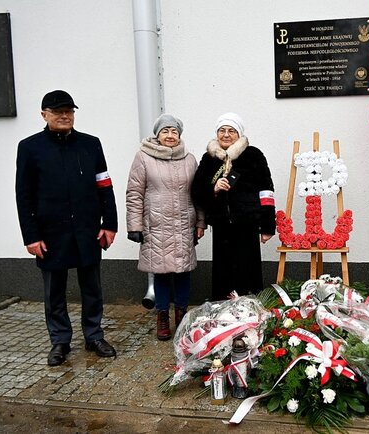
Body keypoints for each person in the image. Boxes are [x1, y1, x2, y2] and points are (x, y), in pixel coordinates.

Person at [15, 90, 118, 366]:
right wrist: (31, 236)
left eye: (69, 111)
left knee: (92, 288)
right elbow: (23, 195)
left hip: (87, 230)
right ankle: (60, 341)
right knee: (54, 291)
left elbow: (104, 185)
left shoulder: (91, 144)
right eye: (58, 112)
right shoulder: (30, 147)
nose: (65, 116)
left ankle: (94, 335)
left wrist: (109, 224)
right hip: (50, 234)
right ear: (44, 115)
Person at [125, 114, 206, 340]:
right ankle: (162, 316)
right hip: (156, 225)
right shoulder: (143, 157)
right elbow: (134, 193)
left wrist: (201, 222)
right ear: (157, 135)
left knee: (183, 272)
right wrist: (134, 225)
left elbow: (198, 194)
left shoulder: (189, 159)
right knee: (160, 272)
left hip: (184, 223)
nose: (170, 136)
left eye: (174, 131)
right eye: (165, 131)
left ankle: (181, 315)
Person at [191, 112, 276, 300]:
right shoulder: (209, 158)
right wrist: (214, 188)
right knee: (223, 273)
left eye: (231, 131)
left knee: (248, 272)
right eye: (222, 130)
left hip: (247, 225)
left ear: (239, 134)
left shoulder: (253, 155)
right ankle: (223, 311)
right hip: (221, 226)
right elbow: (197, 191)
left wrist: (267, 226)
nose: (226, 135)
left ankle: (250, 310)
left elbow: (266, 191)